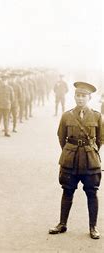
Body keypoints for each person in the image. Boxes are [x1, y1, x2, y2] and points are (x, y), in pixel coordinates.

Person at [49, 81, 101, 240]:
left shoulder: (97, 116)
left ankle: (93, 227)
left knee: (92, 192)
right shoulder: (67, 116)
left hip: (90, 161)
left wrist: (90, 150)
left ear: (89, 98)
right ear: (74, 97)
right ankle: (62, 224)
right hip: (70, 160)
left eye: (84, 96)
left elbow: (100, 139)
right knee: (67, 190)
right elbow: (61, 137)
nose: (80, 99)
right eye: (78, 95)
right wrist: (69, 151)